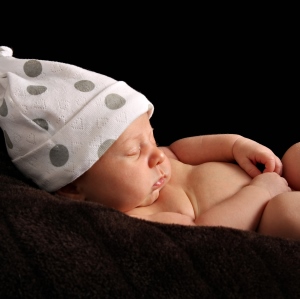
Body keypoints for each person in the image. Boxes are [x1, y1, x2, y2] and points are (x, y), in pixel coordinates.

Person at [1, 46, 299, 241]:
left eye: (152, 137)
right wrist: (261, 192)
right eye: (134, 151)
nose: (157, 155)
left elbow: (185, 147)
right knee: (286, 213)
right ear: (72, 187)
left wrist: (237, 146)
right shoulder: (143, 217)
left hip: (276, 175)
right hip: (266, 210)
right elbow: (208, 231)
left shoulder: (163, 156)